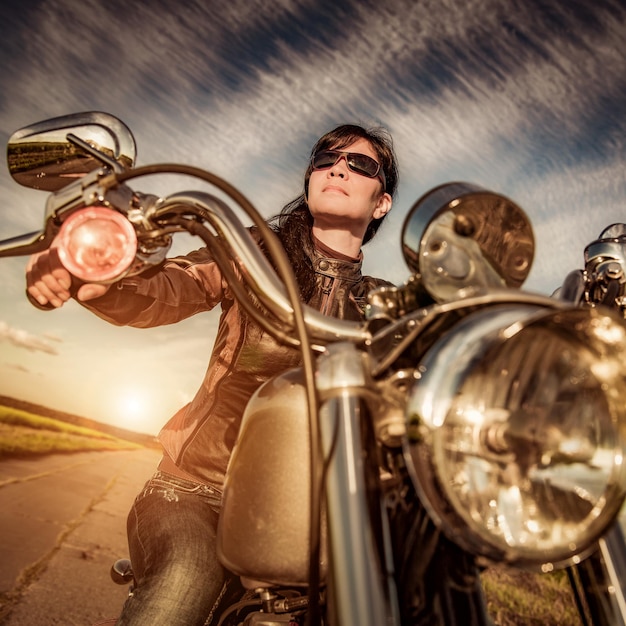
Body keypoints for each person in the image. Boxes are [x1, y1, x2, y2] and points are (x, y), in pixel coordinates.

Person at [25, 124, 399, 625]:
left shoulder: (388, 307)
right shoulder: (254, 254)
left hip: (306, 518)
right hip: (192, 490)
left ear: (382, 203)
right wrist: (94, 277)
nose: (338, 166)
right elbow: (172, 286)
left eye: (361, 164)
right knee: (187, 578)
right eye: (326, 157)